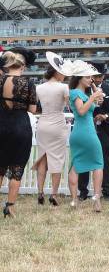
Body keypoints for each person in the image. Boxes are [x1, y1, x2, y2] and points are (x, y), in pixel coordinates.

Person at [0, 48, 37, 218]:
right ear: (22, 66)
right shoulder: (29, 83)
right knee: (17, 168)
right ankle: (10, 207)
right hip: (20, 128)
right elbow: (32, 109)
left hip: (2, 125)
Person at [78, 61, 109, 201]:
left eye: (100, 76)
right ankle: (83, 191)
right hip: (86, 127)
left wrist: (106, 116)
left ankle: (106, 191)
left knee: (104, 160)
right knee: (84, 157)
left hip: (104, 129)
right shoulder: (83, 90)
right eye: (95, 76)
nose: (97, 79)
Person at [67, 61, 105, 212]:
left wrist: (96, 97)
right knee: (98, 164)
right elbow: (81, 111)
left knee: (75, 165)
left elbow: (96, 104)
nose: (91, 79)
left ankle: (74, 201)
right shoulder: (76, 93)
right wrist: (93, 97)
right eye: (88, 77)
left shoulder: (82, 93)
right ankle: (96, 201)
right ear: (80, 78)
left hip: (78, 133)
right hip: (87, 133)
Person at [33, 53, 70, 206]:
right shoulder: (64, 87)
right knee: (57, 159)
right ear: (57, 71)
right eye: (62, 72)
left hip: (43, 124)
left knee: (42, 158)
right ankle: (53, 195)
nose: (64, 75)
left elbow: (35, 108)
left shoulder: (39, 87)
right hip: (57, 124)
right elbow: (69, 106)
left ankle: (40, 192)